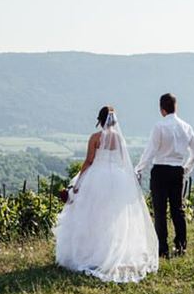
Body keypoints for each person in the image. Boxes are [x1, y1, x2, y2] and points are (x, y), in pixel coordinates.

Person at [53, 106, 159, 283]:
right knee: (112, 218)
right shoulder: (119, 139)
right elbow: (124, 162)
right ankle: (112, 251)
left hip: (97, 178)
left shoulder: (95, 138)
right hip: (117, 180)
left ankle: (92, 254)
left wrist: (77, 183)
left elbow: (89, 161)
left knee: (93, 216)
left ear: (100, 120)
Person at [135, 93, 194, 258]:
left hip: (160, 171)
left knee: (160, 211)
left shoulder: (159, 126)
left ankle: (162, 249)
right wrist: (186, 169)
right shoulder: (186, 127)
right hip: (177, 171)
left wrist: (139, 169)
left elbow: (150, 151)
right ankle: (181, 246)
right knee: (177, 210)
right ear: (175, 106)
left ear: (161, 109)